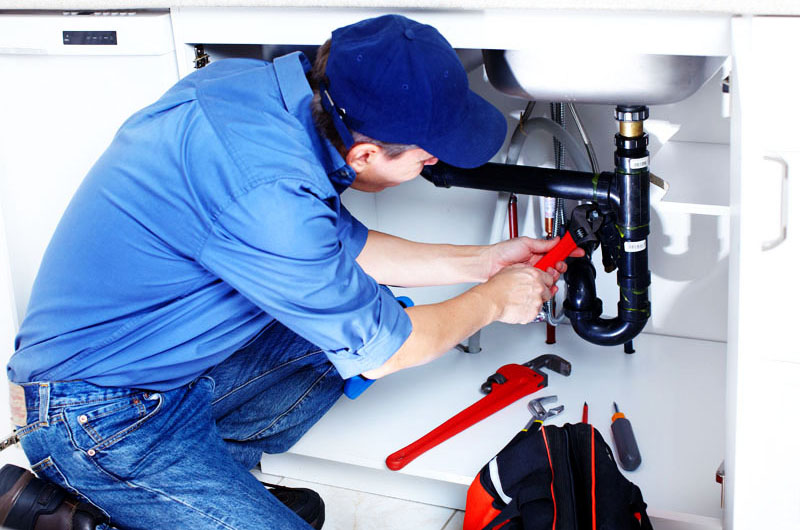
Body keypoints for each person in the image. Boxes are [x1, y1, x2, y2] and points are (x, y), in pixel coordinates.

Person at [5, 14, 581, 530]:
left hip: (160, 370)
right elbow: (388, 353)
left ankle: (191, 494)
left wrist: (483, 261)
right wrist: (493, 302)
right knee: (367, 342)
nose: (433, 162)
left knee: (344, 334)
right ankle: (100, 514)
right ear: (365, 155)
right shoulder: (270, 196)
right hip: (96, 418)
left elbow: (342, 251)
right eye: (425, 155)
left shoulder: (258, 93)